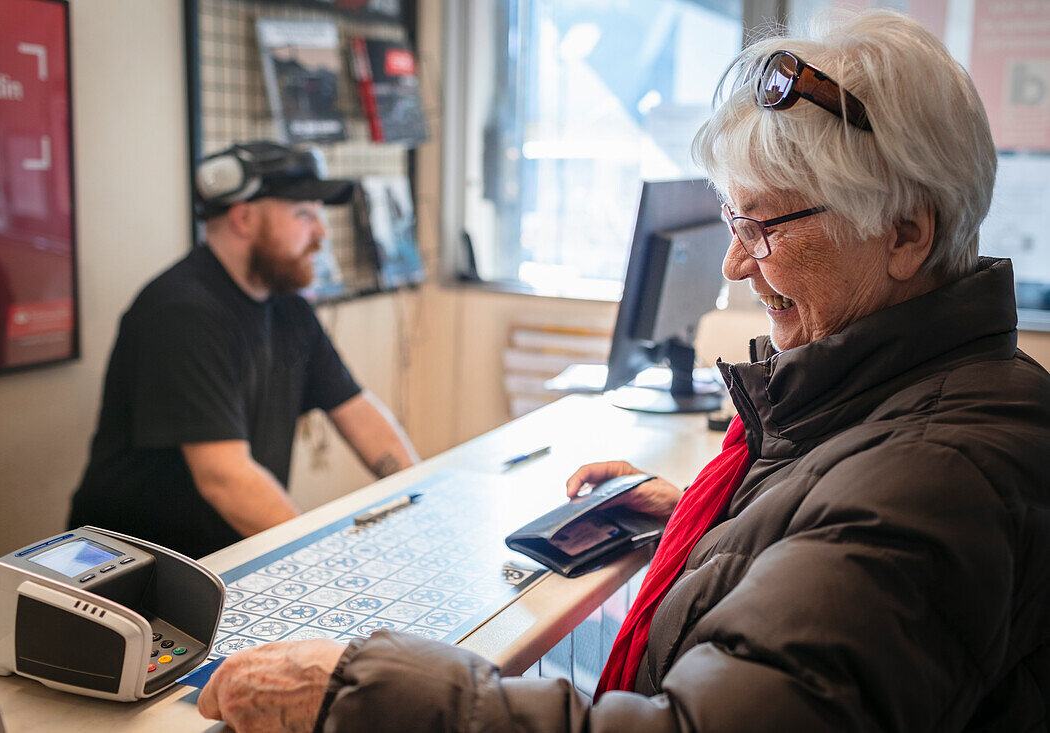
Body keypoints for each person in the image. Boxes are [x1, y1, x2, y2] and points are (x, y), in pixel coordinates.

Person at [197, 10, 1050, 732]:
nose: (735, 266)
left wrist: (361, 692)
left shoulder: (935, 480)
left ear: (907, 232)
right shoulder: (934, 407)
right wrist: (714, 526)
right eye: (732, 220)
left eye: (766, 227)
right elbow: (838, 557)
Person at [69, 141, 419, 559]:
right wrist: (318, 564)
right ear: (244, 217)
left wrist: (421, 502)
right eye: (304, 214)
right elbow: (224, 477)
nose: (322, 233)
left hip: (228, 556)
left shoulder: (287, 306)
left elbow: (357, 413)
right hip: (140, 576)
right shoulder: (181, 313)